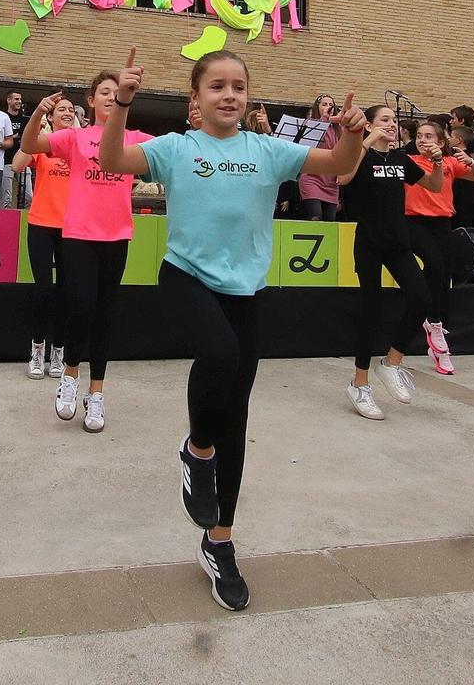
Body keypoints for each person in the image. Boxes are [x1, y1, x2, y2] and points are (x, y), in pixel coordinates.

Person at [99, 47, 366, 611]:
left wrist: (352, 133)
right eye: (216, 86)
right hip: (186, 276)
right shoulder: (177, 148)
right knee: (218, 355)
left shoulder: (268, 150)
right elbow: (115, 160)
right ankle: (196, 450)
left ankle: (219, 541)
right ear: (195, 99)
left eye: (238, 87)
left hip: (247, 288)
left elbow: (338, 166)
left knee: (237, 419)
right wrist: (123, 102)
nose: (229, 95)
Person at [26, 72, 150, 432]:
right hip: (78, 234)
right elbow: (31, 144)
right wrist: (39, 111)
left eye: (118, 93)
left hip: (116, 236)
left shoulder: (134, 140)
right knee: (80, 306)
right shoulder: (75, 138)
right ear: (91, 101)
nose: (112, 98)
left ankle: (96, 393)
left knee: (105, 314)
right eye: (104, 93)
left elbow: (175, 150)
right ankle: (69, 376)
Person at [339, 104, 435, 420]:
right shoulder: (360, 152)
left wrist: (437, 161)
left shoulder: (399, 159)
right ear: (368, 124)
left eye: (394, 120)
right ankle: (359, 384)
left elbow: (434, 186)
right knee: (372, 311)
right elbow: (342, 177)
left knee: (421, 299)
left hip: (398, 243)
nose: (391, 124)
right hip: (368, 242)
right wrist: (365, 141)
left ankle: (392, 362)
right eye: (385, 120)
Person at [406, 118, 474, 375]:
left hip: (442, 222)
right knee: (436, 263)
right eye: (419, 135)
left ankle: (436, 327)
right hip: (413, 222)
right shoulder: (410, 161)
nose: (422, 140)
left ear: (441, 142)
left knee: (442, 272)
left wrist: (469, 160)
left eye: (428, 136)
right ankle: (434, 322)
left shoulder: (451, 163)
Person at [12, 96, 76, 380]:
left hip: (72, 227)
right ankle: (37, 348)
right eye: (61, 109)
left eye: (71, 110)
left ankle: (58, 351)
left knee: (65, 292)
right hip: (40, 223)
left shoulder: (79, 146)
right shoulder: (43, 143)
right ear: (51, 117)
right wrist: (38, 131)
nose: (66, 112)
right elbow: (17, 164)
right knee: (43, 290)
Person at [296, 95, 343, 221]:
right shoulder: (310, 124)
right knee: (315, 216)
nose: (328, 107)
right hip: (312, 178)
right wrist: (324, 119)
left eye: (331, 105)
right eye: (324, 104)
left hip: (331, 181)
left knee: (330, 219)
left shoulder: (338, 129)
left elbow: (342, 153)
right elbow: (308, 145)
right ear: (317, 107)